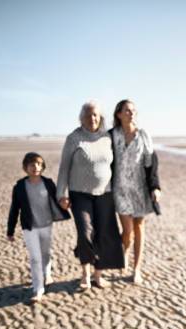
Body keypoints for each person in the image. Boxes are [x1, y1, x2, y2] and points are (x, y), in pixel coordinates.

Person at [56, 101, 124, 289]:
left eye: (95, 115)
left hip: (105, 193)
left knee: (103, 233)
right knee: (85, 233)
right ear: (81, 117)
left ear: (100, 117)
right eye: (88, 115)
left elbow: (116, 165)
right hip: (79, 194)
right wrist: (61, 194)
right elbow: (64, 168)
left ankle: (97, 274)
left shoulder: (107, 137)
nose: (92, 118)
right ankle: (85, 272)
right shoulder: (74, 138)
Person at [7, 152, 70, 303]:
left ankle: (47, 273)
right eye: (31, 164)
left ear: (42, 167)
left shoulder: (48, 183)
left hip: (46, 225)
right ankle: (38, 288)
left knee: (45, 252)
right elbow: (14, 209)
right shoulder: (20, 187)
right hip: (29, 227)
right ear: (25, 168)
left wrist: (65, 204)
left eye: (39, 164)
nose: (35, 167)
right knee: (35, 258)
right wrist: (10, 230)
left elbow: (57, 199)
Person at [110, 99, 161, 284]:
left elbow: (152, 162)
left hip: (140, 188)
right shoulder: (112, 135)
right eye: (126, 110)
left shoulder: (143, 135)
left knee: (139, 227)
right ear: (119, 114)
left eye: (133, 110)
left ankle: (136, 268)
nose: (130, 113)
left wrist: (155, 187)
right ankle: (124, 250)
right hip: (120, 188)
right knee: (127, 230)